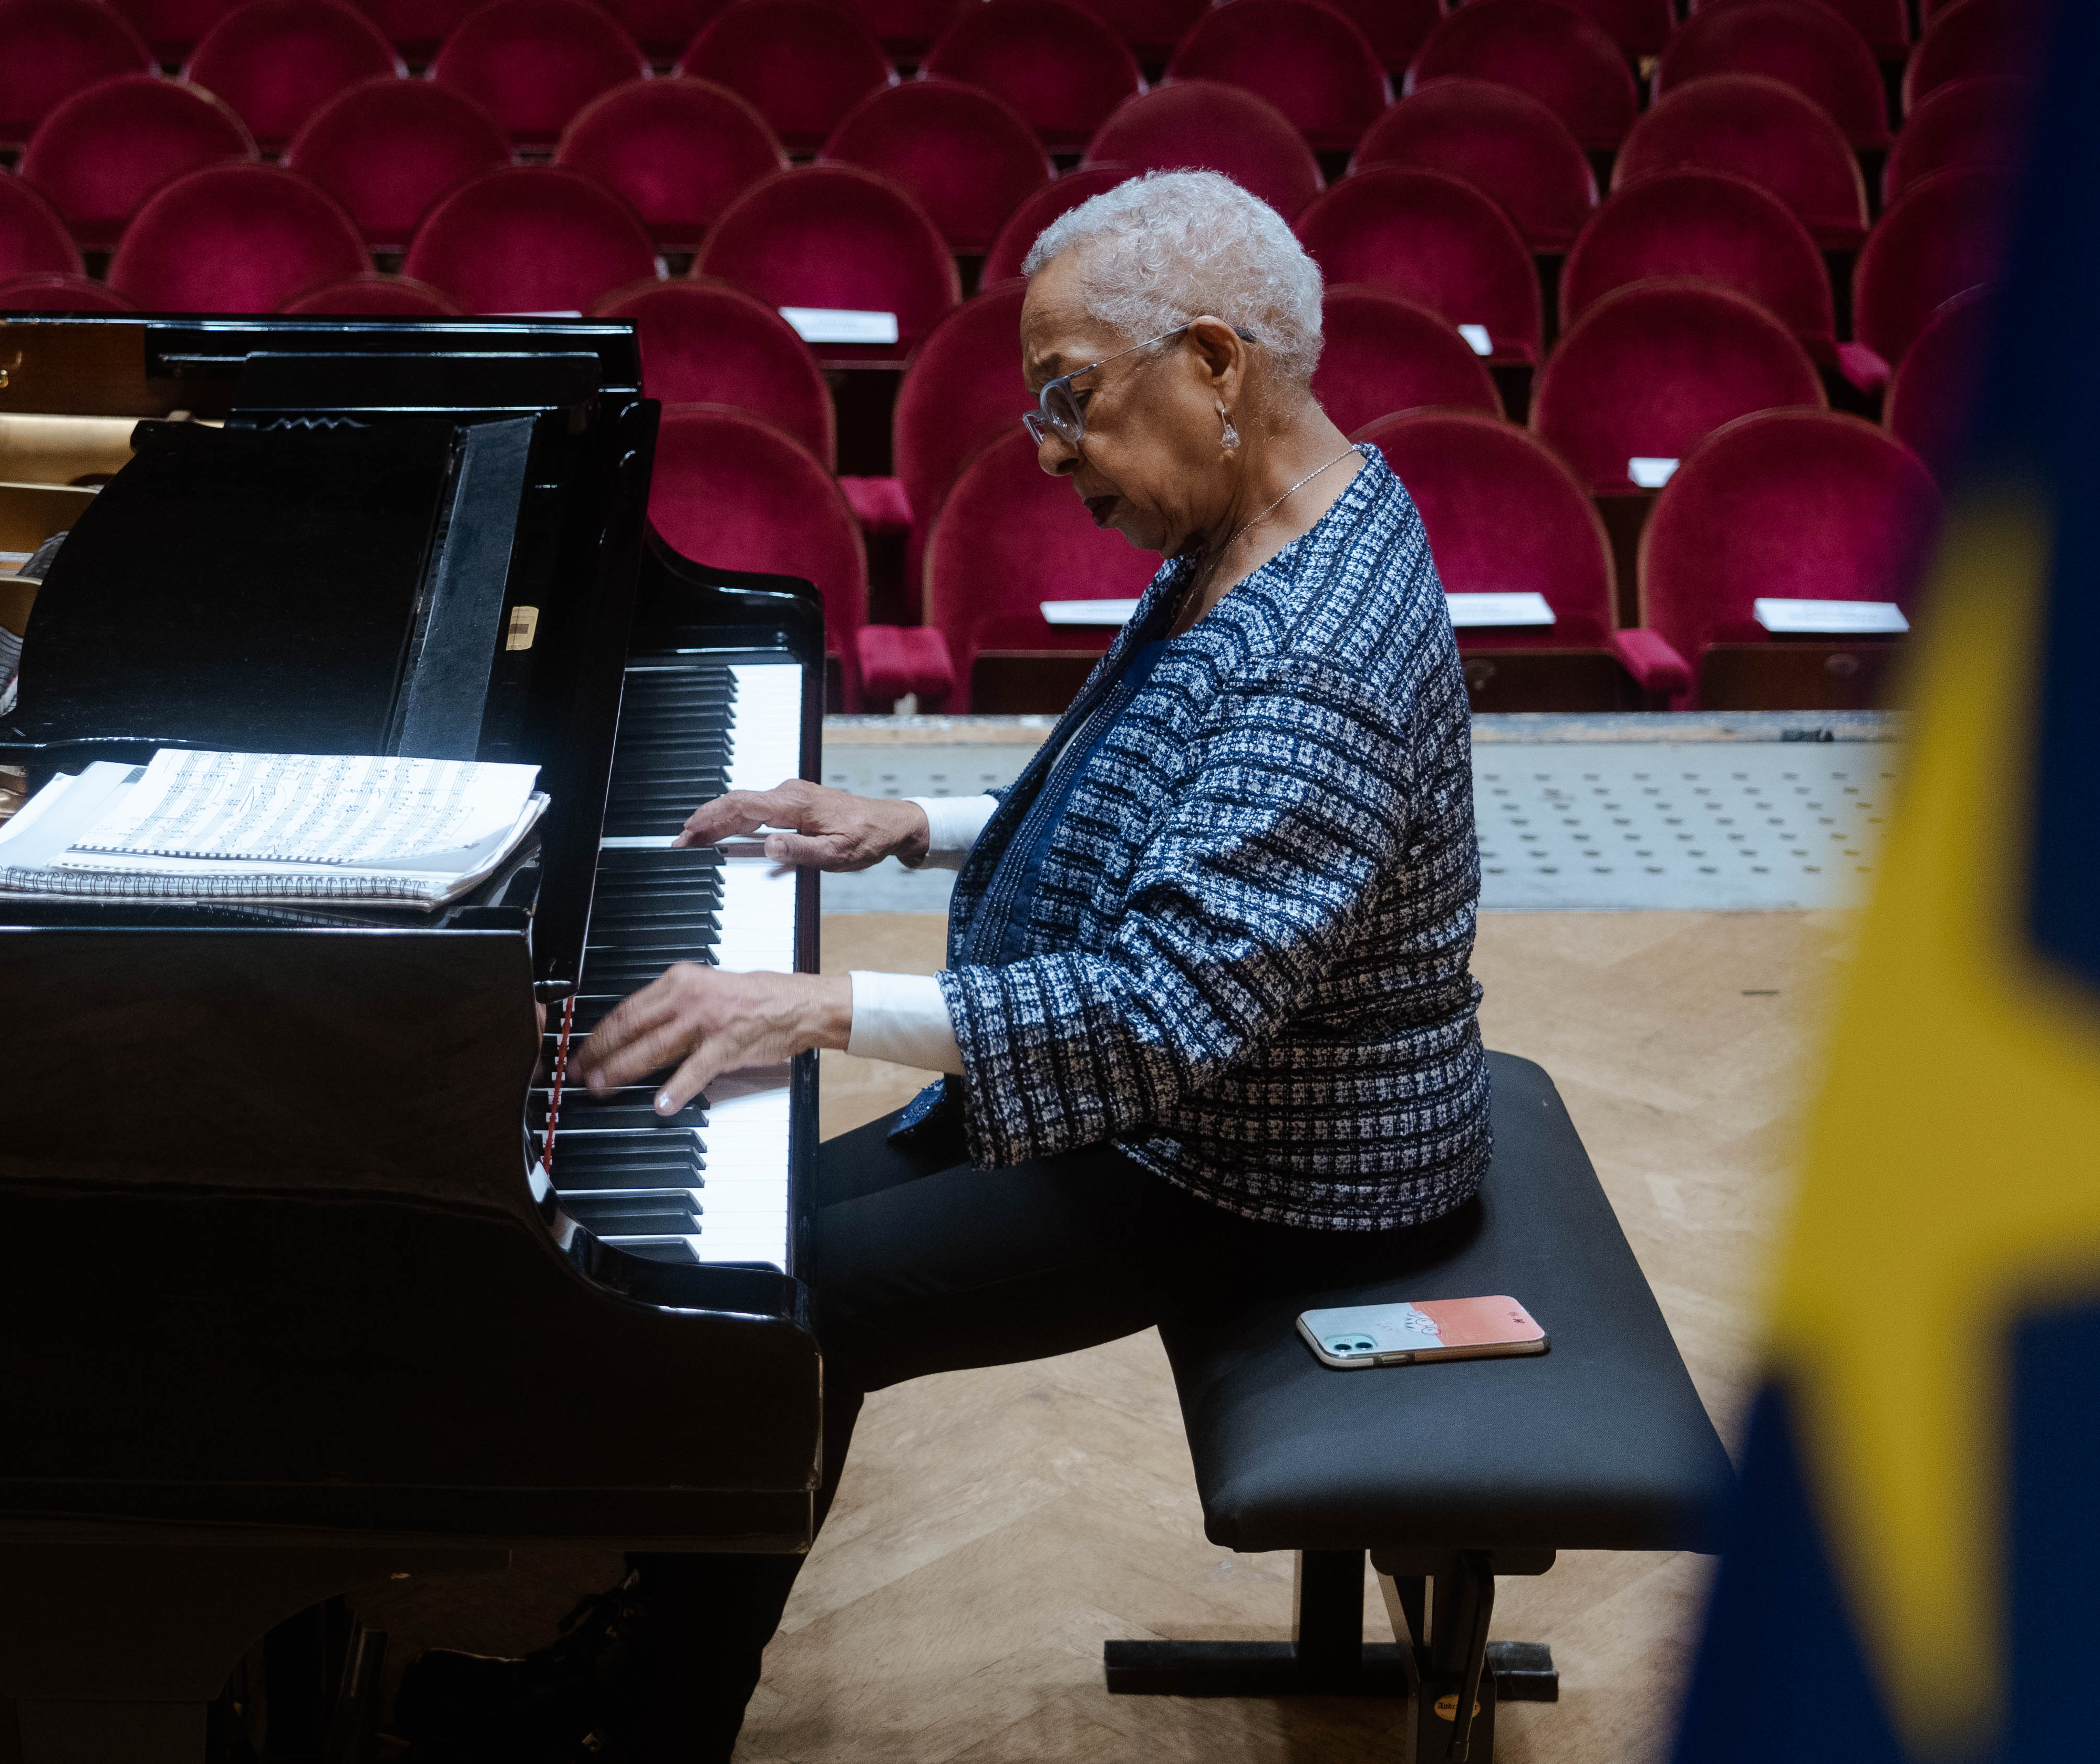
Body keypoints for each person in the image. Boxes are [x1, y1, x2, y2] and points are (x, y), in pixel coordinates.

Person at [399, 169, 1495, 1761]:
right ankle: (632, 1654)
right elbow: (1177, 810)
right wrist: (914, 823)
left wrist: (819, 1003)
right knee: (739, 1252)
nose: (1046, 451)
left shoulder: (1316, 660)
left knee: (784, 1312)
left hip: (1271, 1171)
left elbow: (1158, 1017)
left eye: (1070, 398)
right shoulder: (1290, 522)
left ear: (1213, 363)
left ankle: (641, 1722)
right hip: (1206, 1112)